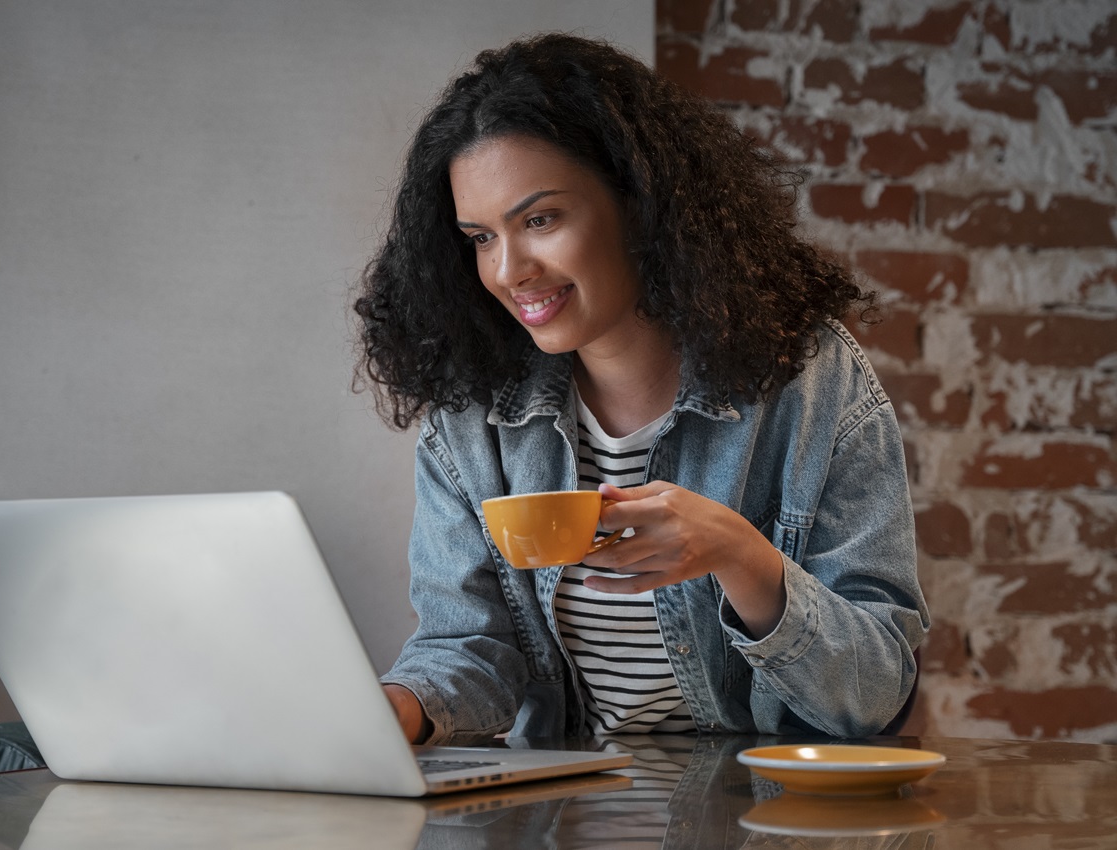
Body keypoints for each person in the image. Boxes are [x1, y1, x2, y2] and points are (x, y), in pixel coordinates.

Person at [353, 32, 928, 745]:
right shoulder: (475, 416)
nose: (509, 270)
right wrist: (393, 711)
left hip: (759, 819)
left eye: (540, 220)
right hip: (561, 818)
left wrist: (739, 555)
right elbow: (470, 650)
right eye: (481, 237)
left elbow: (875, 693)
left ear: (639, 202)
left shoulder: (811, 385)